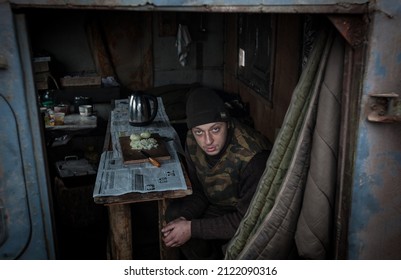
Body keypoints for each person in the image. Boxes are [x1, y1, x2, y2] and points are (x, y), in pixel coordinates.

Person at [161, 87, 271, 259]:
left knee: (189, 230)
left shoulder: (253, 157)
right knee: (174, 217)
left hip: (246, 216)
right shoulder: (192, 141)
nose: (208, 141)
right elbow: (199, 191)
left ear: (226, 123)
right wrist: (184, 220)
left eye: (215, 129)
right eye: (199, 132)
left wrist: (192, 228)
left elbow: (249, 220)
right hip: (217, 204)